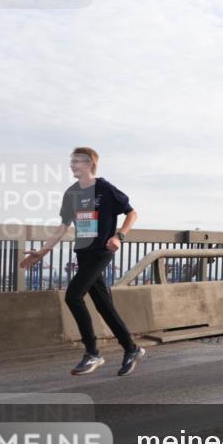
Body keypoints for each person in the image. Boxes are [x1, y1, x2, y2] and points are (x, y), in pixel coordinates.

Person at [19, 147, 145, 376]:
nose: (72, 165)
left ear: (89, 164)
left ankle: (93, 353)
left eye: (76, 161)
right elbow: (63, 227)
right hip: (83, 254)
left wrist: (119, 236)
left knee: (73, 295)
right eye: (71, 161)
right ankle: (132, 348)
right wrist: (44, 251)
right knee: (104, 305)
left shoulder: (104, 188)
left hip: (102, 252)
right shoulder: (71, 194)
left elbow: (132, 213)